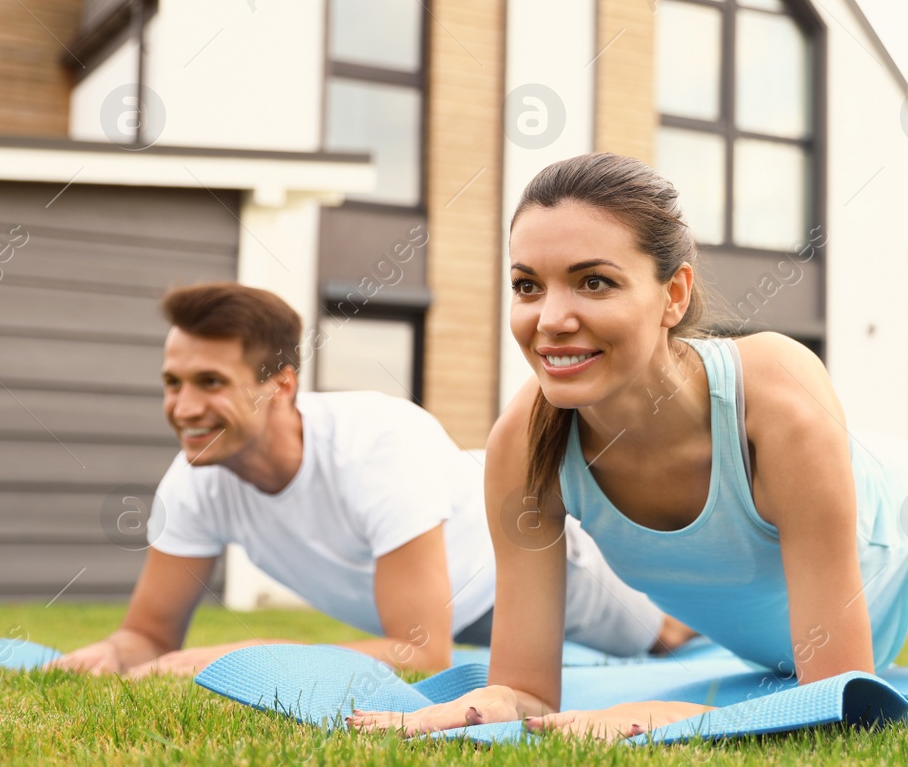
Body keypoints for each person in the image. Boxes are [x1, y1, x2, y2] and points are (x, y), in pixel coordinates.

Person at [349, 154, 908, 738]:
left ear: (674, 295)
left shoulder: (774, 394)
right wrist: (466, 709)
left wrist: (650, 712)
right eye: (528, 285)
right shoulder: (524, 445)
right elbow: (527, 690)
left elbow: (840, 694)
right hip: (780, 629)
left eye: (593, 282)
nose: (550, 318)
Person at [50, 282, 694, 678]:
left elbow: (421, 656)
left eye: (211, 383)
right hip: (431, 612)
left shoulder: (376, 443)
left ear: (280, 386)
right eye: (173, 382)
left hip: (526, 567)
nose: (184, 408)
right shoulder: (195, 475)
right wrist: (111, 653)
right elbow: (148, 638)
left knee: (660, 634)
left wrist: (242, 655)